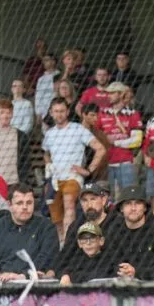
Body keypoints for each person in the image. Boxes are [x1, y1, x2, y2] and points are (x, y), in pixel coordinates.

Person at [43, 98, 107, 238]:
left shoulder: (78, 129)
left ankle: (68, 240)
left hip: (73, 176)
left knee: (69, 203)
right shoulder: (49, 133)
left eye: (62, 111)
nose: (59, 114)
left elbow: (100, 148)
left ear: (67, 112)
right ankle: (61, 241)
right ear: (51, 113)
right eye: (56, 111)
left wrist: (88, 170)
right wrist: (48, 164)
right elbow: (46, 153)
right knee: (56, 216)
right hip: (55, 178)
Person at [0, 184, 58, 281]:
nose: (25, 207)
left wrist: (23, 276)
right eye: (19, 203)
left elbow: (47, 257)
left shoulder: (46, 226)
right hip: (2, 283)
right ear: (9, 205)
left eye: (29, 202)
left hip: (34, 282)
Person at [103, 187, 154, 280]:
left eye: (138, 203)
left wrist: (137, 272)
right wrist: (124, 270)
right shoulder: (114, 230)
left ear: (145, 207)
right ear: (121, 208)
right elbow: (111, 263)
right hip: (124, 281)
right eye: (128, 204)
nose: (133, 208)